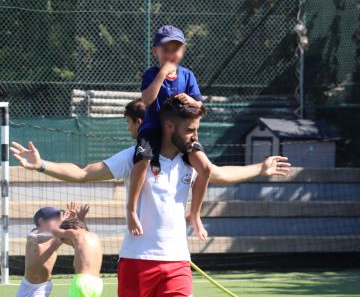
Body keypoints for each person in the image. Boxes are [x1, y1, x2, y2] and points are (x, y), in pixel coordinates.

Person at [11, 97, 291, 297]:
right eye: (191, 130)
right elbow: (84, 172)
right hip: (136, 263)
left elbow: (222, 173)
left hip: (177, 264)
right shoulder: (136, 157)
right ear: (169, 126)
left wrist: (261, 168)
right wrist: (42, 165)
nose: (196, 137)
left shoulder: (192, 163)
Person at [128, 25, 210, 241]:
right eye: (166, 49)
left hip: (181, 136)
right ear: (155, 51)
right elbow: (147, 100)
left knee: (205, 167)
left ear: (182, 51)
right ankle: (131, 210)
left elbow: (200, 106)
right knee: (143, 161)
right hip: (154, 128)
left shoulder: (188, 75)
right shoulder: (151, 74)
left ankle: (194, 214)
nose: (171, 54)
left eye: (176, 49)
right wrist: (162, 74)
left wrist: (190, 100)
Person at [15, 203, 89, 297]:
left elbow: (80, 236)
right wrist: (60, 227)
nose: (59, 221)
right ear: (41, 222)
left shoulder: (58, 238)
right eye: (55, 219)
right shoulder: (32, 237)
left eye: (59, 219)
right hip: (25, 284)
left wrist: (75, 220)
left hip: (42, 287)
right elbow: (40, 241)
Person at [50, 213, 103, 297]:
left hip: (82, 282)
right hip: (97, 284)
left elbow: (53, 230)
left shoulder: (74, 233)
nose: (71, 245)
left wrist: (61, 220)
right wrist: (81, 218)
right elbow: (83, 229)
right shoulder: (93, 235)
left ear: (71, 229)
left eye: (65, 240)